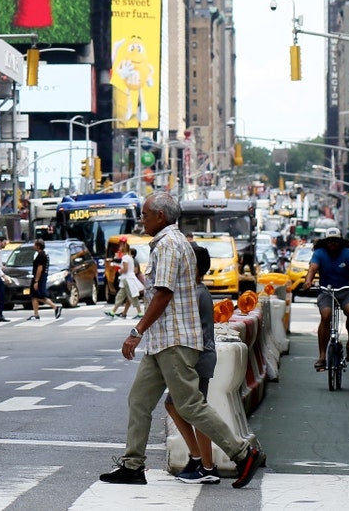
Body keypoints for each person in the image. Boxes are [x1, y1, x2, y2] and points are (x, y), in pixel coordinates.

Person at [99, 192, 265, 490]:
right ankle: (133, 465)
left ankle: (243, 454)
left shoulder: (169, 246)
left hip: (174, 340)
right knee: (140, 400)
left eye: (146, 215)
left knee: (189, 404)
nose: (143, 220)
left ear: (160, 216)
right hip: (163, 340)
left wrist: (136, 332)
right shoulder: (172, 244)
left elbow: (163, 293)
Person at [167, 243, 217, 484]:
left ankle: (205, 465)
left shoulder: (196, 293)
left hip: (197, 359)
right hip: (195, 358)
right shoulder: (193, 291)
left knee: (196, 411)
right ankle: (199, 459)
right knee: (176, 405)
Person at [302, 230, 349, 372]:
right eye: (330, 241)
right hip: (327, 291)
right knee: (326, 316)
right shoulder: (320, 253)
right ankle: (322, 356)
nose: (333, 244)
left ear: (340, 242)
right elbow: (312, 269)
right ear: (325, 242)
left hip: (347, 290)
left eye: (335, 241)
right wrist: (308, 282)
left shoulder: (348, 253)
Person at [107, 238, 144, 319]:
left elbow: (125, 269)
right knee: (120, 296)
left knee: (132, 297)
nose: (119, 248)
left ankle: (140, 313)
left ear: (124, 247)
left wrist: (120, 270)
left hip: (127, 279)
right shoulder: (128, 257)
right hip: (127, 279)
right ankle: (112, 312)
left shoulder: (125, 258)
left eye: (120, 246)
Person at [27, 239, 63, 320]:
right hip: (41, 277)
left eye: (35, 244)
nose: (33, 246)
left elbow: (40, 268)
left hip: (39, 278)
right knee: (34, 295)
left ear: (38, 246)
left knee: (40, 295)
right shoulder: (44, 254)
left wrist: (36, 281)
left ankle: (55, 307)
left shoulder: (41, 255)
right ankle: (36, 314)